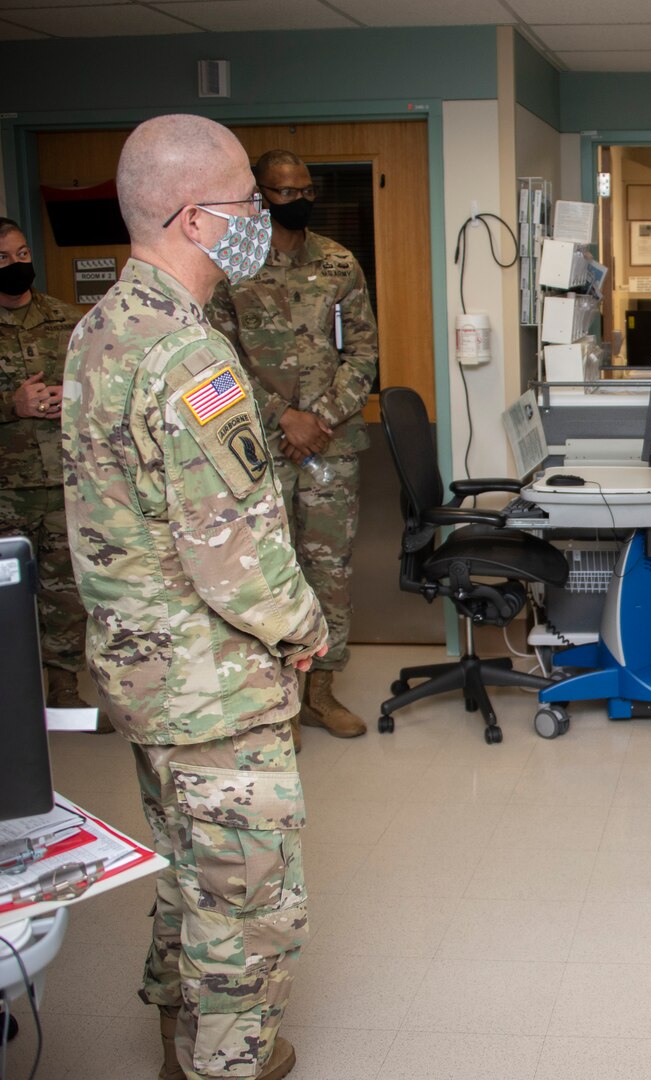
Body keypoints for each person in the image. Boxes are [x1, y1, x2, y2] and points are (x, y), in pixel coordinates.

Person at [63, 114, 328, 1080]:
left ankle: (180, 1040)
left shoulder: (100, 330)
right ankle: (227, 1061)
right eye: (248, 200)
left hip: (144, 668)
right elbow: (234, 557)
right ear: (195, 219)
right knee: (244, 896)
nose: (262, 214)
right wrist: (305, 627)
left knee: (187, 866)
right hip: (213, 682)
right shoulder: (189, 359)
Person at [207, 149, 378, 742]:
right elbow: (217, 362)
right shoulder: (229, 268)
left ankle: (322, 695)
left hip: (330, 447)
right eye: (286, 191)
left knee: (328, 571)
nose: (300, 199)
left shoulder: (338, 263)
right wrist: (284, 417)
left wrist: (320, 419)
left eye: (307, 189)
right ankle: (275, 699)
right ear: (259, 197)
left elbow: (364, 354)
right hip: (259, 448)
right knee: (267, 573)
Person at [0, 217, 90, 710]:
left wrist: (68, 396)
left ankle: (65, 693)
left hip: (61, 483)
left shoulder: (67, 319)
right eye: (3, 259)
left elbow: (98, 389)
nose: (16, 266)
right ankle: (12, 699)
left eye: (22, 255)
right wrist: (9, 405)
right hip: (5, 491)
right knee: (6, 599)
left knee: (64, 596)